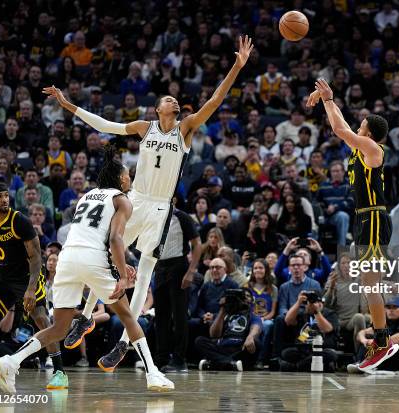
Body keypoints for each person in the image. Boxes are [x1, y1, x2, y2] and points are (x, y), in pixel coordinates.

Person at [52, 35, 254, 372]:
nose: (173, 100)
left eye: (176, 99)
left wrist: (237, 66)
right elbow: (106, 125)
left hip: (161, 207)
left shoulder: (185, 129)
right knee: (103, 254)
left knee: (145, 268)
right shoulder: (144, 127)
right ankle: (85, 317)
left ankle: (122, 344)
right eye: (167, 98)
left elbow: (217, 99)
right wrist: (69, 105)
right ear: (158, 108)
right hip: (136, 200)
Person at [0, 147, 174, 393]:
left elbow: (93, 234)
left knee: (59, 328)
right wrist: (120, 274)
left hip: (67, 258)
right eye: (127, 175)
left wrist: (117, 264)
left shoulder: (87, 196)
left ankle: (10, 361)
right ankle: (153, 374)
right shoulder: (122, 200)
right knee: (129, 316)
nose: (130, 178)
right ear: (120, 179)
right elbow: (115, 240)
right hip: (92, 258)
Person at [307, 79, 398, 372]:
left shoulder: (373, 149)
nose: (356, 127)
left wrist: (328, 99)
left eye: (360, 125)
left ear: (369, 133)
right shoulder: (360, 147)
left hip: (373, 217)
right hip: (364, 218)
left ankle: (383, 342)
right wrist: (327, 99)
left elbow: (338, 128)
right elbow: (342, 125)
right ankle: (381, 341)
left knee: (371, 284)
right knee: (368, 284)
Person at [0, 182, 67, 390]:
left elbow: (36, 258)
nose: (5, 200)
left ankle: (60, 371)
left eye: (6, 196)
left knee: (42, 320)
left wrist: (31, 289)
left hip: (28, 277)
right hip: (4, 279)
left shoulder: (19, 220)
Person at [154, 207, 202, 373]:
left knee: (179, 315)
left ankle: (180, 360)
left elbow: (197, 244)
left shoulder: (182, 216)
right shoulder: (154, 215)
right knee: (160, 316)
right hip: (160, 267)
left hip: (179, 266)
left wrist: (191, 271)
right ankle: (161, 358)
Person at [196, 288, 262, 371]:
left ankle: (216, 363)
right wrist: (223, 308)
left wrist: (250, 337)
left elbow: (256, 327)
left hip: (239, 349)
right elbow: (214, 335)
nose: (245, 298)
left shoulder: (252, 315)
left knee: (256, 342)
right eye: (242, 296)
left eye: (248, 296)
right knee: (199, 341)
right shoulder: (224, 314)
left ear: (252, 300)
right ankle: (230, 363)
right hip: (223, 348)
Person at [348, 296, 399, 373]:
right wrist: (364, 340)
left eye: (394, 307)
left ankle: (368, 365)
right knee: (369, 338)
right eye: (388, 307)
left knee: (383, 344)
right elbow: (362, 332)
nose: (391, 310)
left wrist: (379, 342)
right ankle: (360, 362)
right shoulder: (384, 322)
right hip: (387, 355)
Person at [316, 161, 353, 246]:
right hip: (325, 215)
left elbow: (351, 202)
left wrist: (335, 207)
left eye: (338, 171)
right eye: (333, 171)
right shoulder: (324, 185)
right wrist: (325, 209)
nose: (335, 173)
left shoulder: (349, 185)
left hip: (341, 216)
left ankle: (342, 249)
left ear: (343, 172)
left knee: (342, 216)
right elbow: (318, 202)